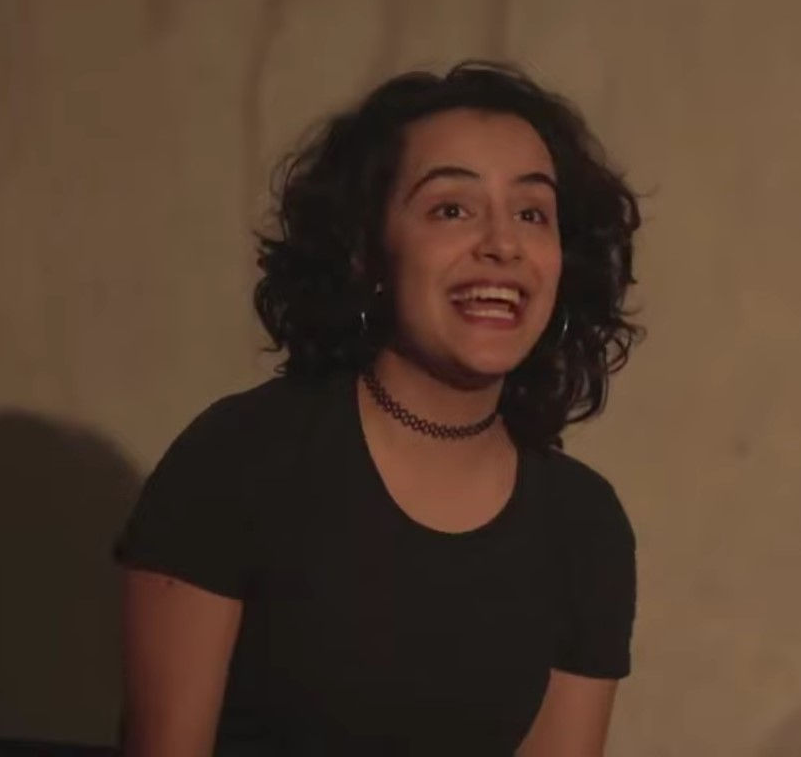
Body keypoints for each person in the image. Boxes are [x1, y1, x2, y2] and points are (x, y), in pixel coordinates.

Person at [112, 60, 645, 757]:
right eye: (451, 209)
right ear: (367, 251)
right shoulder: (241, 458)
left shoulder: (584, 525)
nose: (502, 244)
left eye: (531, 214)